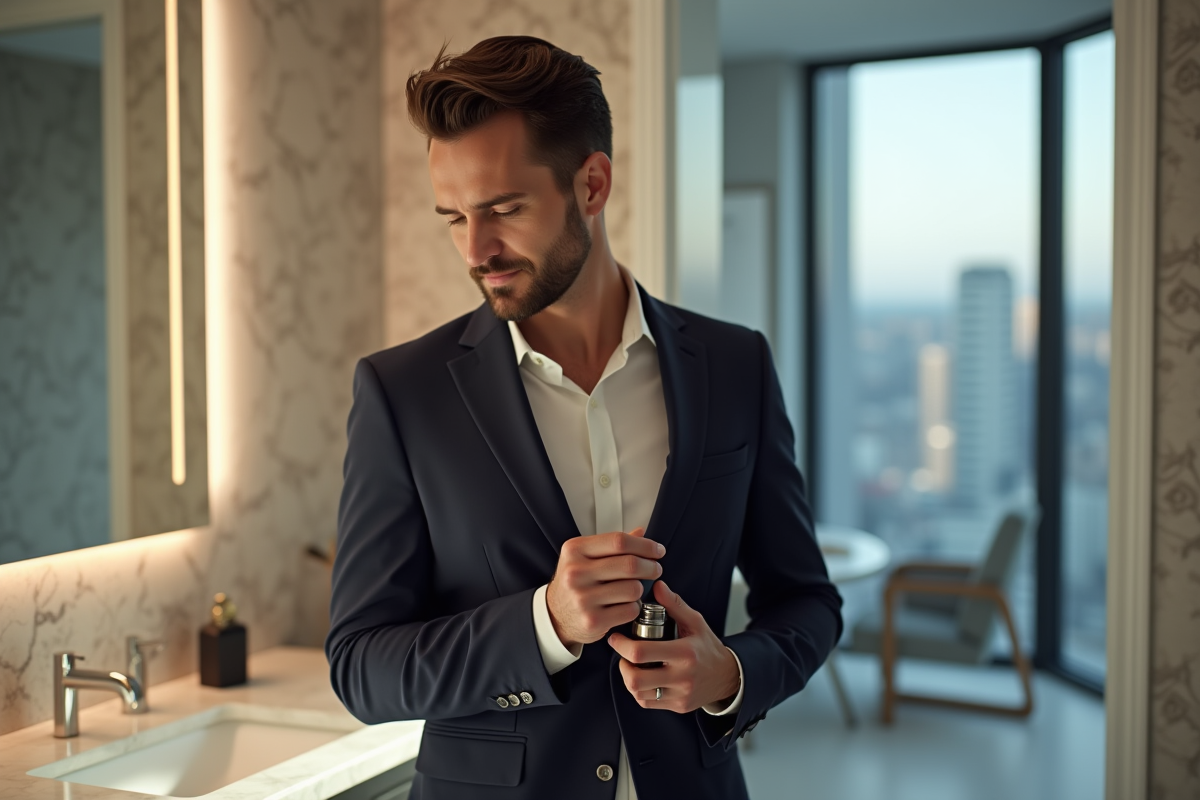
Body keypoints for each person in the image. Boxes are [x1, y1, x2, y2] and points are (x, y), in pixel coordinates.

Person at [326, 35, 842, 800]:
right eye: (454, 218)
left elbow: (806, 601)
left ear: (592, 185)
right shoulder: (403, 393)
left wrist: (728, 673)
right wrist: (544, 625)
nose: (477, 249)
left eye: (504, 209)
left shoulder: (736, 367)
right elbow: (360, 665)